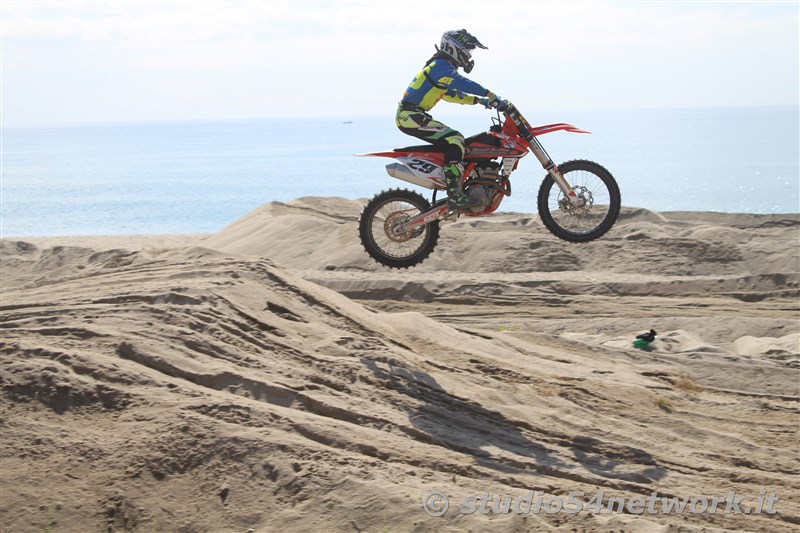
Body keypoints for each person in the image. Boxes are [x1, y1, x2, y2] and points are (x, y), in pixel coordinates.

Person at [396, 29, 503, 210]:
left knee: (457, 141)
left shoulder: (442, 67)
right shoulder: (441, 66)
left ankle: (459, 183)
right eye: (468, 51)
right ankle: (455, 195)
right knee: (455, 139)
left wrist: (481, 101)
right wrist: (490, 94)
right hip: (410, 116)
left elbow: (452, 95)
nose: (469, 56)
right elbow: (461, 83)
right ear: (454, 48)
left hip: (414, 116)